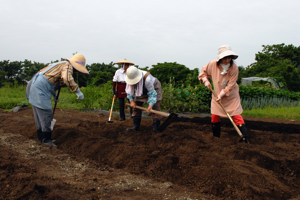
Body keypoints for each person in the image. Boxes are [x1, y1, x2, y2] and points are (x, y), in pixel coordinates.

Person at [26, 53, 89, 147]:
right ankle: (46, 140)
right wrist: (77, 91)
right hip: (40, 89)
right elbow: (67, 78)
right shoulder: (67, 66)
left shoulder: (59, 64)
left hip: (34, 87)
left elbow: (50, 80)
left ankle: (41, 138)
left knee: (39, 115)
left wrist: (54, 94)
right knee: (46, 114)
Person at [198, 45, 249, 143]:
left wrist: (222, 94)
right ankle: (216, 137)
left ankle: (244, 137)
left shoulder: (234, 68)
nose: (227, 60)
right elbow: (203, 73)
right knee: (215, 115)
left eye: (229, 57)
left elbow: (231, 84)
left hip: (231, 95)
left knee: (236, 115)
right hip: (216, 94)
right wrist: (205, 81)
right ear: (220, 58)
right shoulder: (212, 64)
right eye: (225, 58)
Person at [125, 66, 162, 132]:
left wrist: (150, 106)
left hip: (154, 88)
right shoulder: (129, 77)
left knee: (155, 107)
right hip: (141, 90)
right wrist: (132, 101)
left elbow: (152, 95)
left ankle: (156, 128)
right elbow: (129, 92)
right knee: (136, 106)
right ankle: (136, 127)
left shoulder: (147, 79)